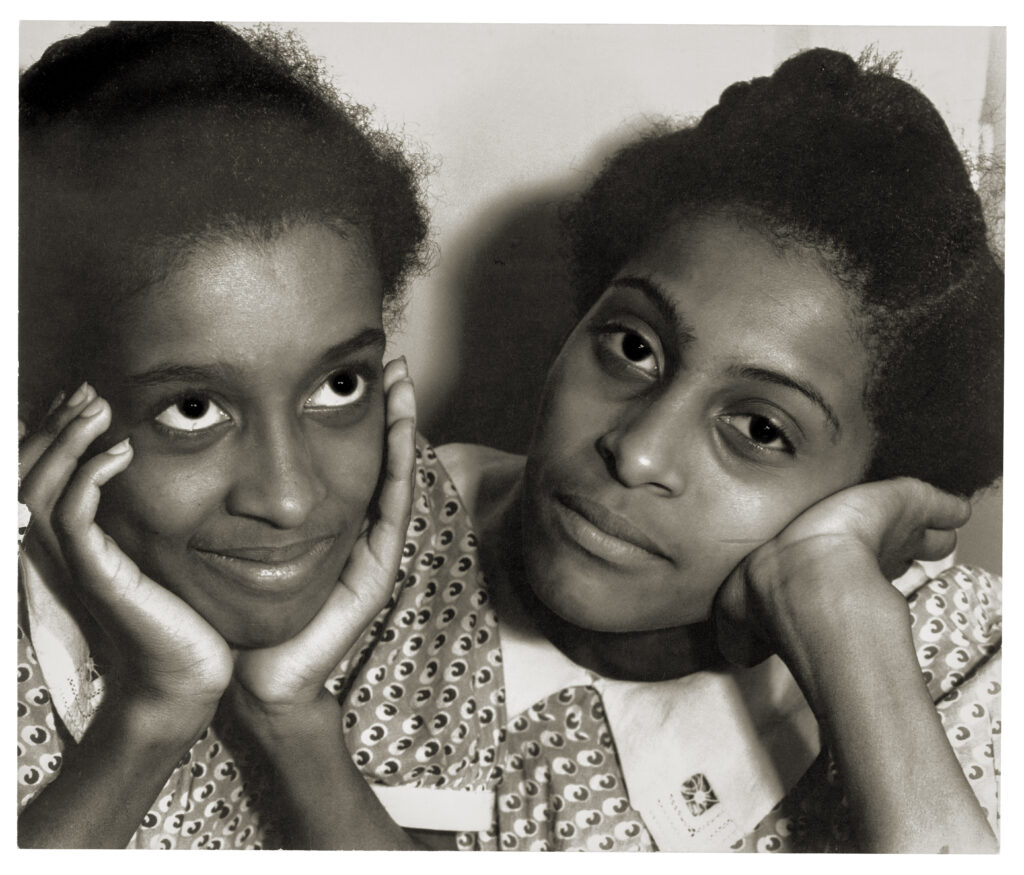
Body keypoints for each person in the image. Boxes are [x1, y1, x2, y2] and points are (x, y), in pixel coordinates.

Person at [319, 47, 1002, 852]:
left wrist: (846, 625)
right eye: (634, 346)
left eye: (759, 430)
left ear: (879, 488)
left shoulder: (973, 660)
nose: (636, 451)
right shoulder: (365, 532)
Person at [16, 21, 463, 849]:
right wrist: (154, 710)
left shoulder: (407, 519)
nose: (290, 500)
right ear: (42, 405)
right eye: (192, 408)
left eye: (339, 384)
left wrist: (292, 716)